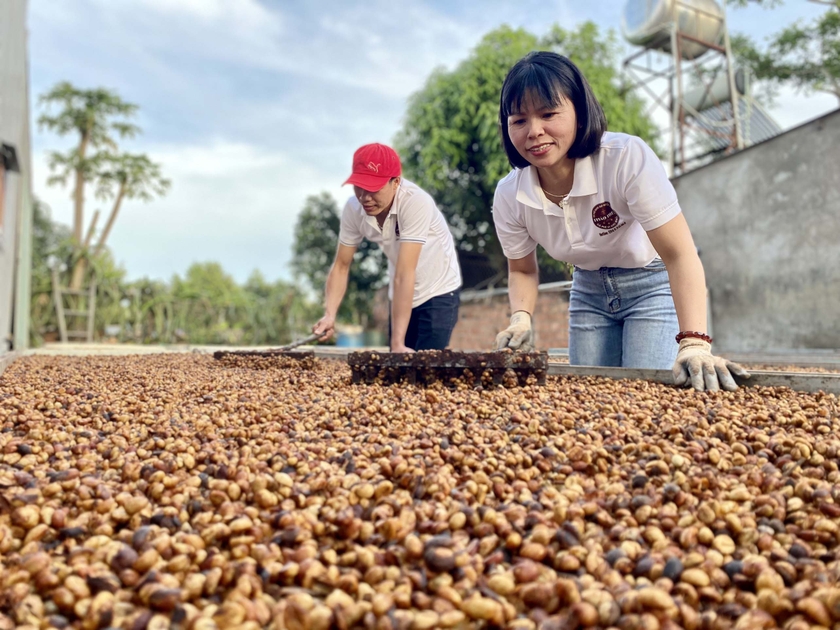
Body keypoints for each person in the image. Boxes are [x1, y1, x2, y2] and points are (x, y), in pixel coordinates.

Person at [491, 51, 748, 392]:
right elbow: (522, 269)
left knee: (648, 394)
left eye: (548, 114)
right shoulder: (510, 194)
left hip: (651, 286)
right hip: (587, 292)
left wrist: (694, 342)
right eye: (519, 120)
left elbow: (680, 254)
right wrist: (521, 317)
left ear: (579, 112)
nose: (534, 131)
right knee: (591, 396)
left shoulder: (625, 157)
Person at [312, 143, 462, 352]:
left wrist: (397, 344)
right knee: (399, 373)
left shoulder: (415, 202)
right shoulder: (354, 209)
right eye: (359, 187)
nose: (365, 197)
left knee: (428, 370)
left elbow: (405, 272)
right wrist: (329, 315)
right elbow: (341, 266)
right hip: (400, 292)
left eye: (373, 188)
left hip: (438, 289)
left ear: (396, 183)